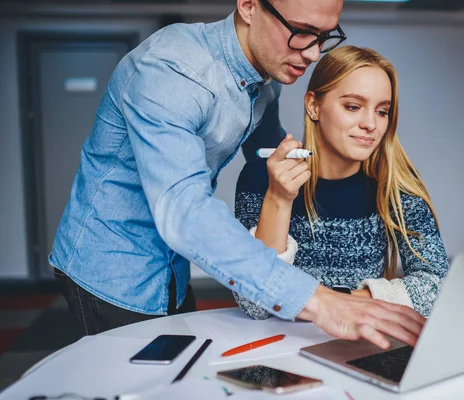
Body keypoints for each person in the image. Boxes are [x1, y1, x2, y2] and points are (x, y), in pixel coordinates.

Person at [50, 0, 424, 349]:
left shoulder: (267, 75)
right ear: (248, 5)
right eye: (301, 31)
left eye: (325, 37)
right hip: (113, 268)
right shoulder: (172, 72)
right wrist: (321, 301)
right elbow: (185, 212)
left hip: (171, 272)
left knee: (182, 377)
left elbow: (271, 151)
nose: (312, 54)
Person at [234, 46, 449, 322]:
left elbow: (437, 287)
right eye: (353, 107)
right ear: (313, 106)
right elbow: (255, 305)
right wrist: (279, 198)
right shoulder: (260, 179)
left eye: (382, 111)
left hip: (360, 350)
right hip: (277, 354)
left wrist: (339, 301)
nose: (371, 124)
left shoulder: (396, 186)